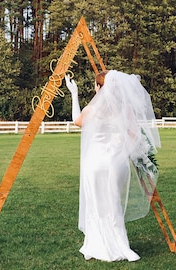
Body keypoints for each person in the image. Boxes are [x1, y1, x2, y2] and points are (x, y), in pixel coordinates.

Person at [65, 70, 161, 262]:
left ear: (98, 87)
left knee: (97, 204)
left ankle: (97, 244)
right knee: (115, 203)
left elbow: (77, 122)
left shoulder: (91, 111)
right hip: (117, 163)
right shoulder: (124, 110)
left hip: (95, 163)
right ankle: (122, 246)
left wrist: (73, 94)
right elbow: (135, 137)